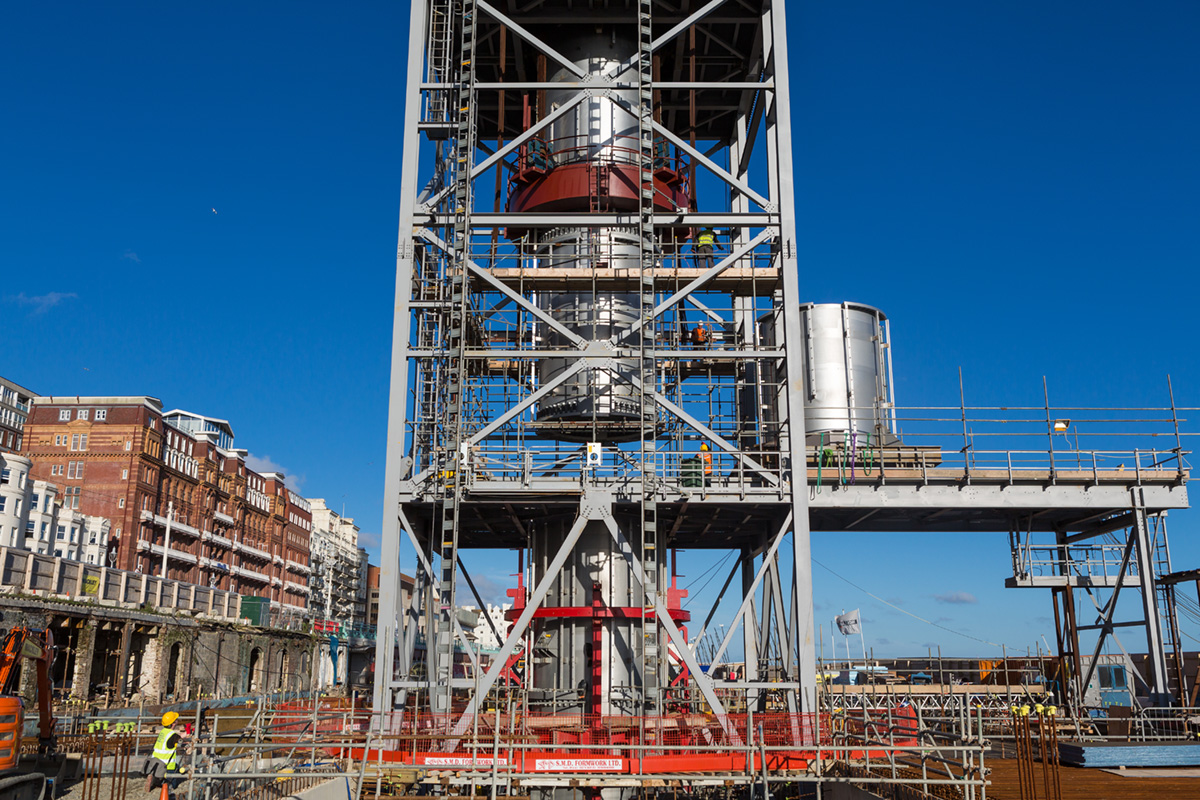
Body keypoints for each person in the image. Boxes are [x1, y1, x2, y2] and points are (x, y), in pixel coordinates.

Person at [145, 711, 187, 793]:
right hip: (167, 765)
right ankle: (166, 784)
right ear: (173, 723)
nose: (177, 720)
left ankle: (156, 779)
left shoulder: (163, 732)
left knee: (177, 767)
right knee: (174, 781)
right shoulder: (172, 735)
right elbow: (179, 739)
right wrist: (188, 733)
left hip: (155, 763)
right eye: (176, 719)